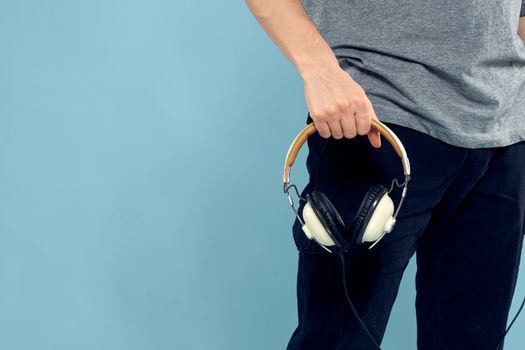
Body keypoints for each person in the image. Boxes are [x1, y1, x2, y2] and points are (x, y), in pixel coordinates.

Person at [245, 1, 525, 349]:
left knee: (474, 341)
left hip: (505, 131)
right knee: (338, 341)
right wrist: (321, 72)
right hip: (375, 123)